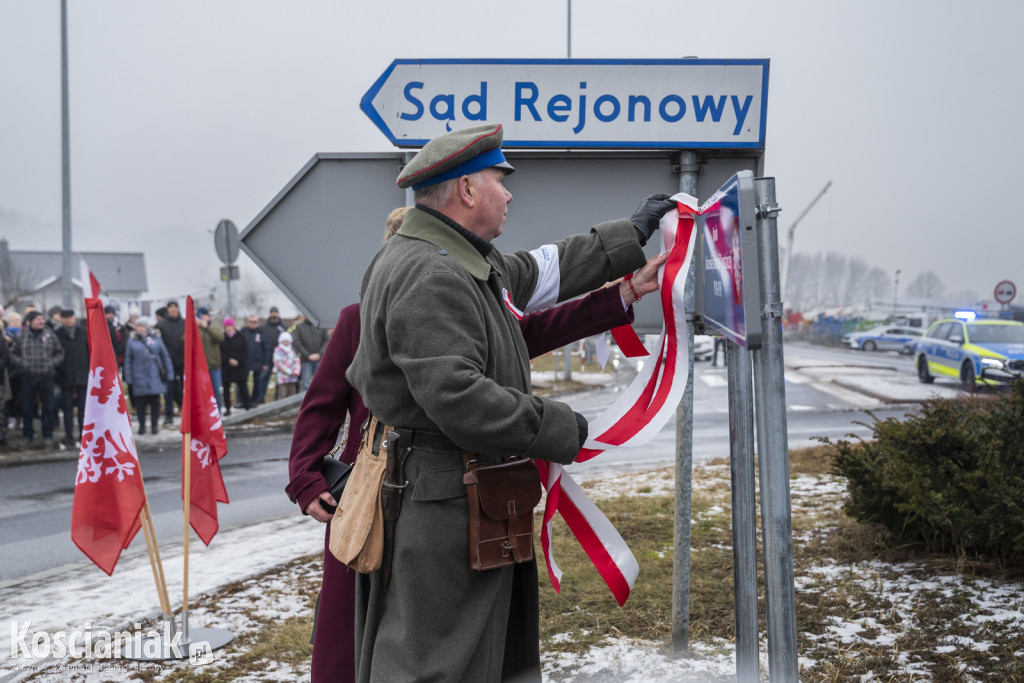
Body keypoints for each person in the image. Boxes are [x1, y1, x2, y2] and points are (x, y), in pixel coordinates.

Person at [345, 122, 676, 681]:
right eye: (501, 180)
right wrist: (559, 426)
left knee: (477, 654)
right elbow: (458, 397)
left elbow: (545, 268)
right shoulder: (431, 272)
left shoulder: (455, 259)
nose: (510, 193)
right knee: (435, 661)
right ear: (467, 191)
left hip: (460, 495)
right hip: (442, 504)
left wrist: (632, 234)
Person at [10, 310, 65, 449]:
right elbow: (12, 354)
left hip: (47, 376)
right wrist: (22, 364)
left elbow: (60, 352)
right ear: (30, 322)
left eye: (42, 319)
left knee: (48, 407)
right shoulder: (21, 336)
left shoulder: (50, 335)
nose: (42, 321)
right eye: (38, 319)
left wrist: (51, 363)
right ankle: (27, 436)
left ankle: (48, 436)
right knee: (27, 408)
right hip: (27, 376)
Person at [123, 318, 173, 436]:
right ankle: (142, 426)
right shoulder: (132, 341)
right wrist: (128, 377)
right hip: (139, 377)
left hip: (154, 376)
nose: (139, 328)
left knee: (155, 402)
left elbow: (165, 357)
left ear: (147, 327)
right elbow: (128, 360)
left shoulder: (156, 339)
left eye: (142, 326)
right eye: (138, 326)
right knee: (140, 403)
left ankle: (154, 425)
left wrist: (169, 373)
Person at [55, 309, 89, 446]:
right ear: (61, 319)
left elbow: (89, 352)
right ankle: (68, 434)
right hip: (65, 375)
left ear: (75, 318)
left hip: (83, 374)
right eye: (65, 317)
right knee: (67, 407)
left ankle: (83, 434)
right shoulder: (57, 334)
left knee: (83, 407)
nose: (68, 320)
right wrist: (59, 371)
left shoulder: (83, 333)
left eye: (70, 317)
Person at [155, 300, 186, 425]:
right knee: (169, 389)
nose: (173, 310)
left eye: (175, 308)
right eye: (171, 308)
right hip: (168, 362)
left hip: (183, 360)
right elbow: (154, 342)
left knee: (185, 388)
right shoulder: (161, 325)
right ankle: (169, 414)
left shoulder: (185, 323)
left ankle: (186, 412)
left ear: (178, 309)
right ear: (167, 310)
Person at [219, 317, 250, 416]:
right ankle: (228, 408)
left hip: (239, 367)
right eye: (226, 326)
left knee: (243, 387)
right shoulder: (222, 338)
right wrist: (229, 360)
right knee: (226, 389)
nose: (228, 328)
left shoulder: (241, 336)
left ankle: (247, 406)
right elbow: (220, 352)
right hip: (227, 367)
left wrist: (238, 360)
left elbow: (245, 350)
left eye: (230, 326)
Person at [196, 306, 225, 411]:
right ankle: (204, 414)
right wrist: (194, 326)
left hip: (214, 366)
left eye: (205, 315)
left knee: (216, 391)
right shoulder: (194, 329)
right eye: (201, 316)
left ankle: (217, 415)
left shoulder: (214, 328)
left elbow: (220, 337)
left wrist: (206, 328)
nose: (204, 318)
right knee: (202, 393)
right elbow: (184, 340)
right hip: (200, 368)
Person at [241, 314, 274, 406]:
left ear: (258, 323)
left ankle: (254, 400)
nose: (252, 324)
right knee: (243, 382)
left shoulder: (261, 333)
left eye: (255, 322)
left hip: (258, 362)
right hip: (245, 361)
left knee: (257, 382)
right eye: (251, 322)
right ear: (248, 322)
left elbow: (266, 348)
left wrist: (265, 363)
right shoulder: (243, 332)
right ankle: (243, 401)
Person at [292, 314, 329, 391]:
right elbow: (297, 342)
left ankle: (320, 401)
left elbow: (326, 341)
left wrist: (320, 354)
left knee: (320, 382)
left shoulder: (321, 326)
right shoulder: (299, 327)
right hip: (306, 360)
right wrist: (307, 355)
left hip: (319, 360)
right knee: (305, 383)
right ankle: (305, 401)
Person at [262, 307, 287, 399]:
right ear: (270, 314)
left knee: (279, 380)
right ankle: (261, 399)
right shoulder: (263, 328)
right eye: (272, 312)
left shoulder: (284, 327)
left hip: (280, 359)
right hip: (267, 358)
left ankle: (278, 398)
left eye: (275, 312)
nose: (274, 314)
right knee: (264, 379)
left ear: (278, 314)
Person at [273, 331, 301, 398]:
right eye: (284, 341)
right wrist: (289, 372)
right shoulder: (278, 350)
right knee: (283, 393)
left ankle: (293, 408)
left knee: (292, 394)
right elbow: (278, 363)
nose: (286, 342)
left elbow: (297, 361)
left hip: (292, 377)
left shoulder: (292, 350)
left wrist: (296, 371)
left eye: (287, 341)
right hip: (282, 378)